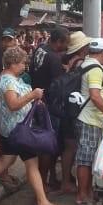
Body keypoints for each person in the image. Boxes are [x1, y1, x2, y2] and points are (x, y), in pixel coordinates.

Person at [0, 46, 62, 205]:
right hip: (18, 130)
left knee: (5, 161)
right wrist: (33, 95)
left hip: (11, 129)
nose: (24, 66)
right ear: (12, 63)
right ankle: (43, 202)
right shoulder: (8, 81)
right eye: (22, 63)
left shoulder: (10, 78)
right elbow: (13, 105)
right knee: (32, 165)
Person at [75, 38, 103, 205]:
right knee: (85, 159)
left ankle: (87, 193)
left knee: (88, 158)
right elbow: (94, 95)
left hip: (90, 119)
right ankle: (82, 196)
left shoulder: (86, 64)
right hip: (90, 119)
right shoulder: (95, 69)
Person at [30, 27, 70, 189]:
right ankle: (44, 182)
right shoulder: (53, 58)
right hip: (49, 105)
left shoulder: (40, 50)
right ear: (58, 41)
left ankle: (49, 178)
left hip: (38, 101)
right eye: (65, 43)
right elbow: (58, 85)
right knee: (48, 145)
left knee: (44, 143)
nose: (66, 47)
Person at [57, 31, 91, 194]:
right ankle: (65, 181)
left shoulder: (69, 61)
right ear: (82, 47)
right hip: (74, 109)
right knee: (71, 146)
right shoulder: (80, 63)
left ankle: (66, 178)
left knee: (68, 146)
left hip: (67, 107)